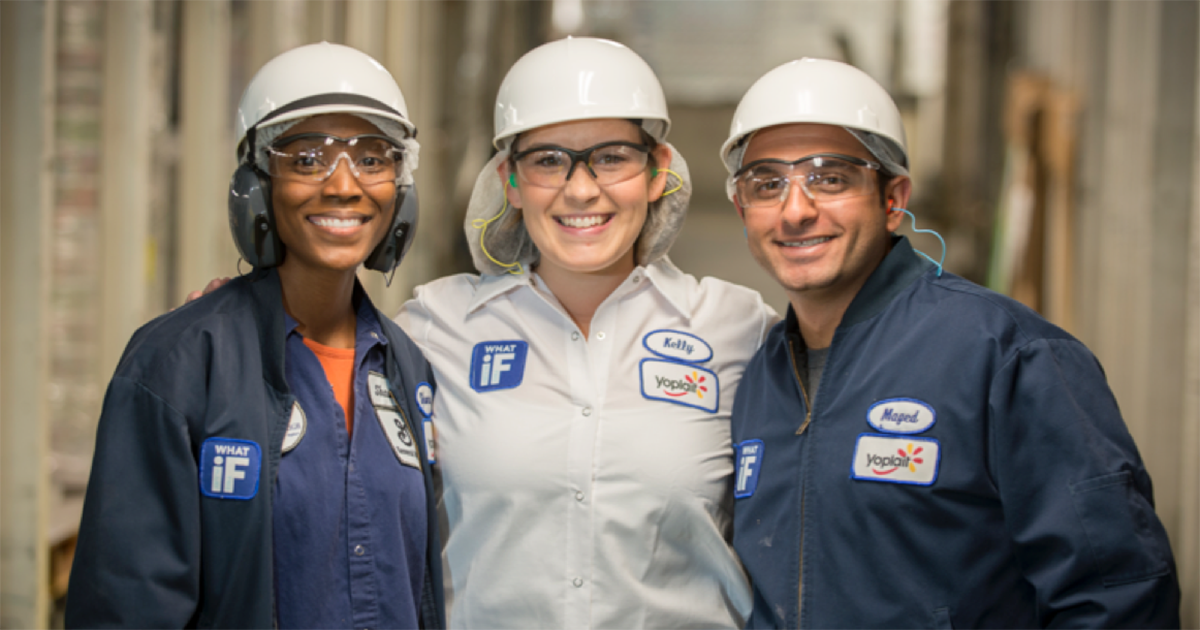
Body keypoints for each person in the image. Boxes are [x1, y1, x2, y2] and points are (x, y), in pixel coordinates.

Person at [721, 57, 1180, 629]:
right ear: (743, 210)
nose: (795, 209)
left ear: (894, 199)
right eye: (767, 184)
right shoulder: (756, 376)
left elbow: (1117, 596)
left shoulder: (1006, 356)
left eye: (830, 177)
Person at [395, 37, 776, 629]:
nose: (580, 188)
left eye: (612, 157)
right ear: (511, 183)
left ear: (657, 173)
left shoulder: (738, 328)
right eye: (548, 160)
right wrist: (245, 314)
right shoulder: (434, 327)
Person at [66, 43, 445, 630]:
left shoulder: (408, 370)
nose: (345, 185)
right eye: (308, 158)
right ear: (256, 184)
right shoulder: (179, 364)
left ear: (401, 190)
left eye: (373, 158)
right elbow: (124, 607)